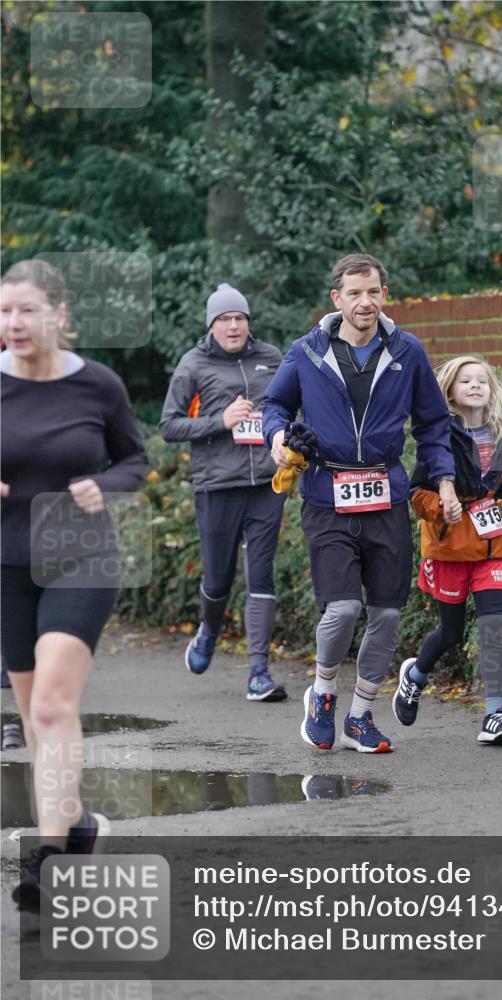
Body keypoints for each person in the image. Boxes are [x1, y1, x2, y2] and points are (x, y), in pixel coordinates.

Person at [262, 253, 458, 753]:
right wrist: (277, 436)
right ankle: (323, 694)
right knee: (344, 608)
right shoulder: (307, 351)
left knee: (388, 615)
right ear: (337, 299)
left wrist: (447, 481)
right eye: (354, 293)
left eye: (373, 292)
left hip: (385, 496)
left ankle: (360, 715)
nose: (364, 302)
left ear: (384, 295)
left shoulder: (407, 352)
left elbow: (434, 425)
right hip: (326, 495)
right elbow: (275, 404)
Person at [0, 259, 147, 910]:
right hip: (7, 562)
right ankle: (78, 825)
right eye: (4, 312)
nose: (13, 323)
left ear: (59, 314)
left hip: (81, 556)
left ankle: (50, 858)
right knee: (35, 716)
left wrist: (105, 485)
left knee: (55, 703)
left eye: (26, 310)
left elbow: (135, 459)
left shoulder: (98, 385)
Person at [392, 355, 502, 744]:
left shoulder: (497, 432)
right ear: (450, 394)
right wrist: (444, 506)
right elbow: (416, 492)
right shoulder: (439, 438)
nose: (475, 386)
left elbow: (490, 479)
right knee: (451, 633)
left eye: (482, 381)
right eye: (465, 381)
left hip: (489, 549)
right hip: (449, 549)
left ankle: (494, 715)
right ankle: (415, 676)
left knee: (492, 627)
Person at [160, 283, 287, 701]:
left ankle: (258, 673)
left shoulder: (271, 358)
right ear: (212, 325)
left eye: (239, 318)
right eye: (224, 319)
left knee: (262, 574)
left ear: (248, 322)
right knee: (218, 578)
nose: (233, 326)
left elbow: (292, 407)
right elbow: (170, 425)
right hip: (217, 485)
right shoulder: (193, 364)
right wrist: (220, 420)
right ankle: (209, 630)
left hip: (268, 485)